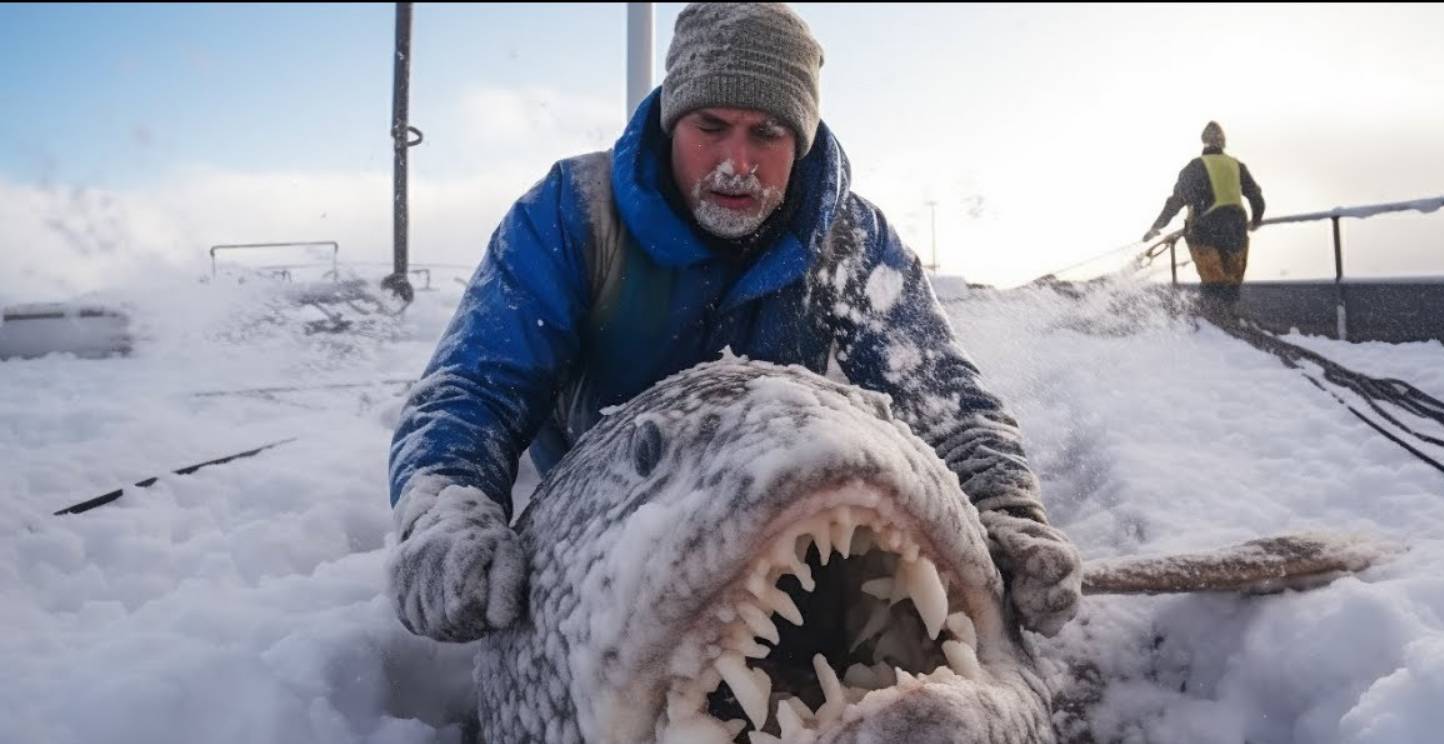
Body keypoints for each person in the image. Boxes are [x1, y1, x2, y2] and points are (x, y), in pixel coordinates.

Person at [385, 2, 1083, 643]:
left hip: (783, 508)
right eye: (710, 127)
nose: (735, 164)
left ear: (801, 141)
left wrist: (1003, 508)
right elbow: (475, 385)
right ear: (671, 123)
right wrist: (447, 511)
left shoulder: (848, 242)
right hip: (610, 511)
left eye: (766, 134)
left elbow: (940, 393)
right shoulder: (573, 216)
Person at [1142, 121, 1265, 321]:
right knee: (1231, 281)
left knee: (1213, 281)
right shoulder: (1236, 166)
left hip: (1205, 231)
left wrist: (1157, 227)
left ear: (1204, 143)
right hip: (1236, 230)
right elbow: (1256, 197)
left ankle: (1213, 319)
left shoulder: (1195, 167)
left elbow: (1176, 201)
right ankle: (1230, 317)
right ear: (1223, 143)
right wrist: (1256, 220)